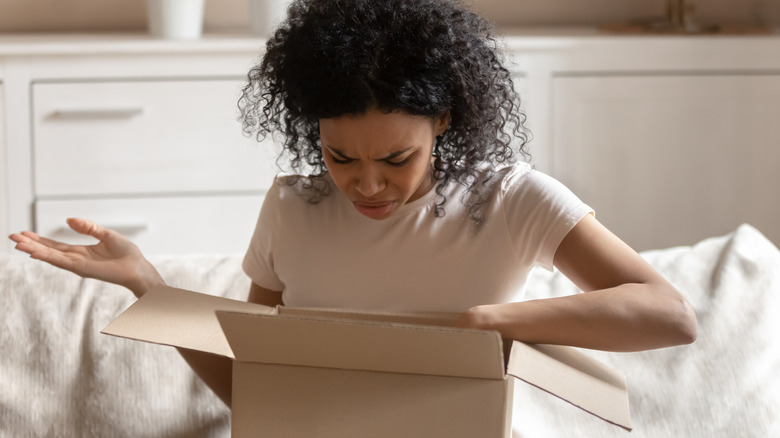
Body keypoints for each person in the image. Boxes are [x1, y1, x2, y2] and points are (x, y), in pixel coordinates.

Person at [8, 0, 697, 410]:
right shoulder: (292, 207)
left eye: (396, 160)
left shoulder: (513, 200)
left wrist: (490, 323)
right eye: (341, 158)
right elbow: (256, 394)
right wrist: (148, 287)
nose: (366, 186)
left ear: (444, 122)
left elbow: (669, 315)